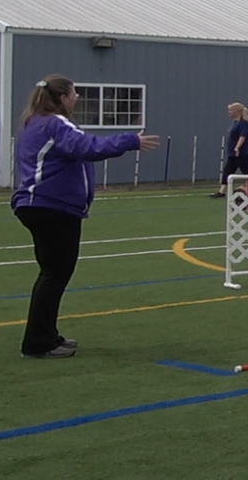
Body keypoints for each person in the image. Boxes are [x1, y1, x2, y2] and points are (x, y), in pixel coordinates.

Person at [11, 75, 160, 359]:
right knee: (54, 274)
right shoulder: (56, 123)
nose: (76, 98)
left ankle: (47, 335)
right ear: (62, 98)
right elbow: (89, 147)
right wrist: (131, 141)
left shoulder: (33, 123)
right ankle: (38, 343)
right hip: (52, 206)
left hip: (37, 204)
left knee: (52, 273)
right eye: (74, 94)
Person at [210, 102, 248, 198]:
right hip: (232, 153)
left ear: (237, 112)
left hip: (240, 153)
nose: (229, 112)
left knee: (246, 171)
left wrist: (237, 147)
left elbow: (242, 136)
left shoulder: (243, 123)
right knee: (228, 171)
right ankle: (221, 192)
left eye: (231, 110)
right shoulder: (235, 123)